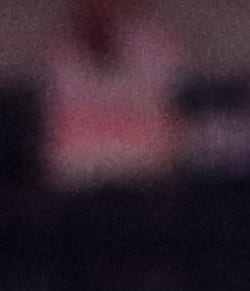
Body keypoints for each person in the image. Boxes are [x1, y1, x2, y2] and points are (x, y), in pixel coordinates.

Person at [40, 0, 184, 192]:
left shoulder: (157, 49)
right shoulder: (63, 53)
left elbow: (159, 133)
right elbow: (64, 141)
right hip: (77, 182)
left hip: (143, 182)